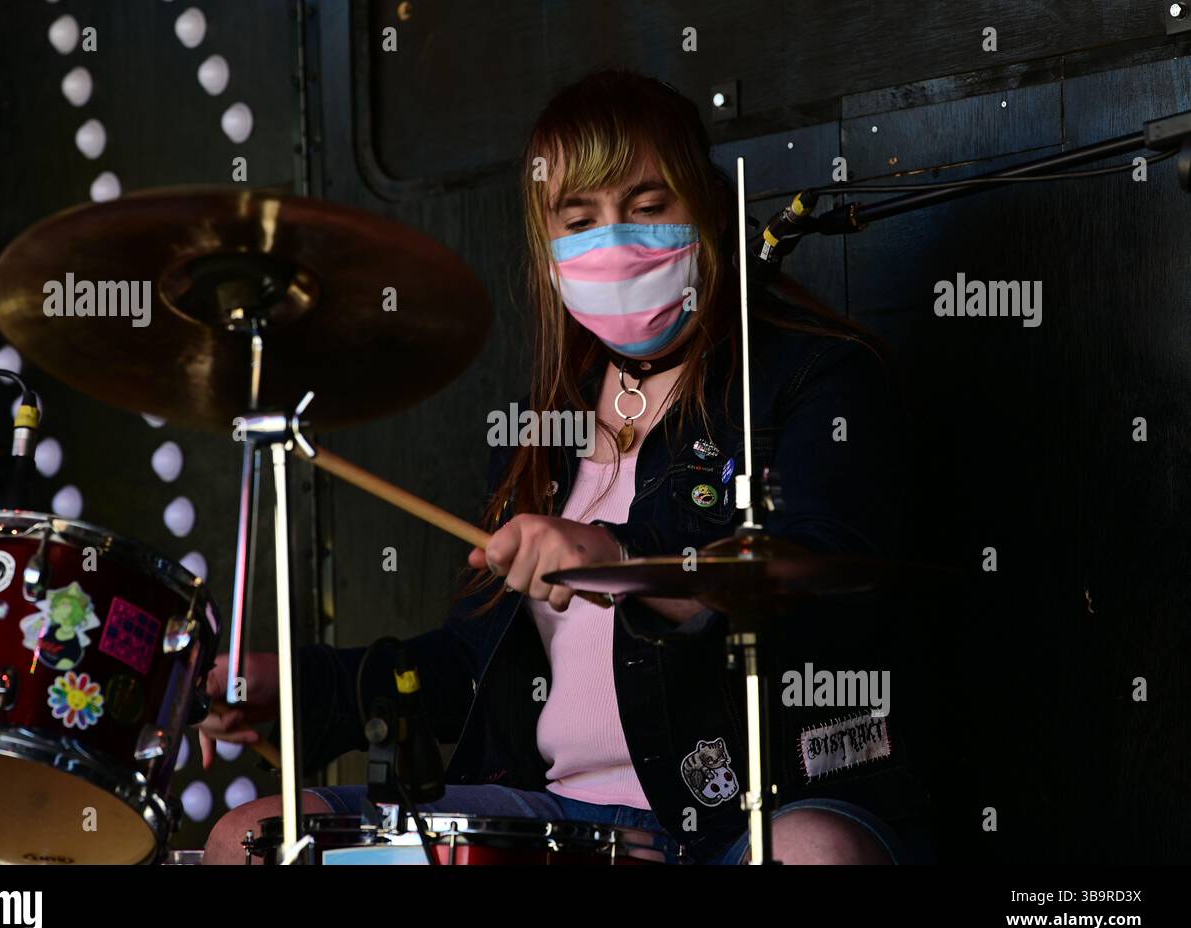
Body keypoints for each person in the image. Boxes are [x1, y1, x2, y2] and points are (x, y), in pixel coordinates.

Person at [199, 69, 927, 865]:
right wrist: (295, 688)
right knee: (248, 838)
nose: (614, 241)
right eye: (580, 220)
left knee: (815, 852)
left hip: (747, 815)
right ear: (548, 252)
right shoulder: (544, 427)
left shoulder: (814, 376)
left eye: (649, 208)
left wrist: (621, 555)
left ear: (712, 211)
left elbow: (816, 572)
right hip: (559, 818)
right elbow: (467, 669)